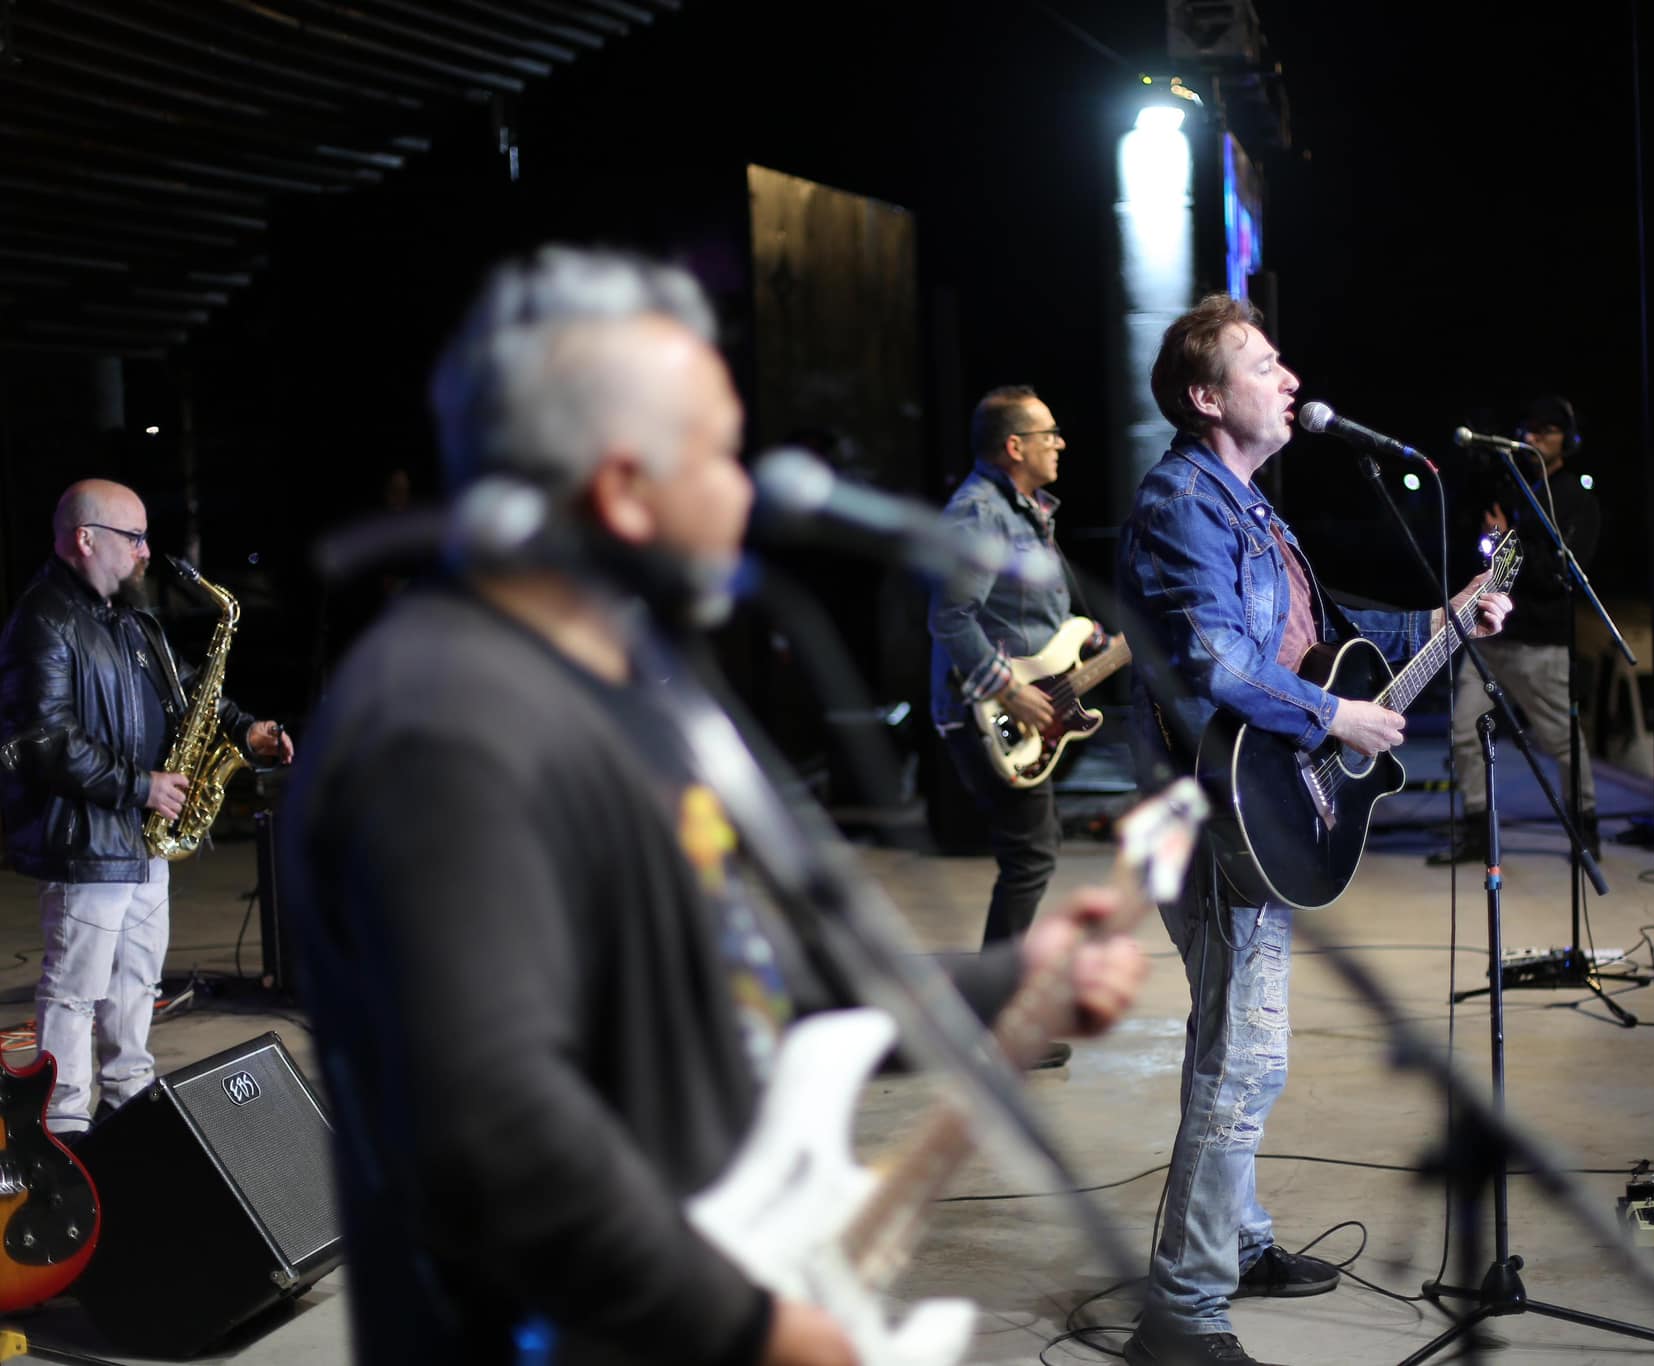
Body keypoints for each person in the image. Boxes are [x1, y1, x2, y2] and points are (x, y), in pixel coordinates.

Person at [280, 247, 1148, 1366]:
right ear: (620, 486)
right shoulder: (446, 725)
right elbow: (498, 1135)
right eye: (719, 454)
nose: (747, 491)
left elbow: (740, 973)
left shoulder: (627, 683)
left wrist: (1005, 984)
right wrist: (745, 1326)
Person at [1117, 294, 1509, 1366]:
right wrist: (1331, 715)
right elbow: (1213, 663)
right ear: (1206, 398)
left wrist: (1445, 618)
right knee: (1241, 1058)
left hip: (1261, 805)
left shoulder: (1254, 509)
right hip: (1209, 813)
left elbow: (1327, 635)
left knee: (1235, 1042)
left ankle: (1236, 1247)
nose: (1290, 380)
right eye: (1263, 365)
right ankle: (1181, 1314)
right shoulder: (1182, 504)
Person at [0, 479, 292, 1135]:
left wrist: (247, 730)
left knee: (136, 982)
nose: (144, 552)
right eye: (133, 537)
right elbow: (42, 740)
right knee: (75, 992)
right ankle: (63, 1128)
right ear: (85, 538)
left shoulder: (134, 619)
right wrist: (141, 786)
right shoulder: (43, 620)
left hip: (142, 841)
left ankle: (130, 1103)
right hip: (87, 839)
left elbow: (194, 694)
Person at [928, 386, 1111, 1067]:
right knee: (1030, 854)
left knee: (1030, 853)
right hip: (985, 715)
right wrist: (1012, 690)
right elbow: (950, 619)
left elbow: (1022, 614)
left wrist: (1084, 636)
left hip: (1014, 702)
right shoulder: (976, 515)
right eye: (1049, 434)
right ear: (1015, 446)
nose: (1060, 444)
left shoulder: (1024, 511)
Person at [1429, 394, 1601, 865]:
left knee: (1561, 742)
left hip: (1540, 644)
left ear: (1568, 439)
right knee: (1464, 732)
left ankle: (1585, 827)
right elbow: (1486, 559)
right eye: (1531, 429)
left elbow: (1558, 578)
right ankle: (1477, 832)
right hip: (1489, 639)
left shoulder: (1575, 501)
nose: (1535, 438)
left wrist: (1511, 540)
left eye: (1548, 431)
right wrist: (1494, 541)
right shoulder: (1509, 488)